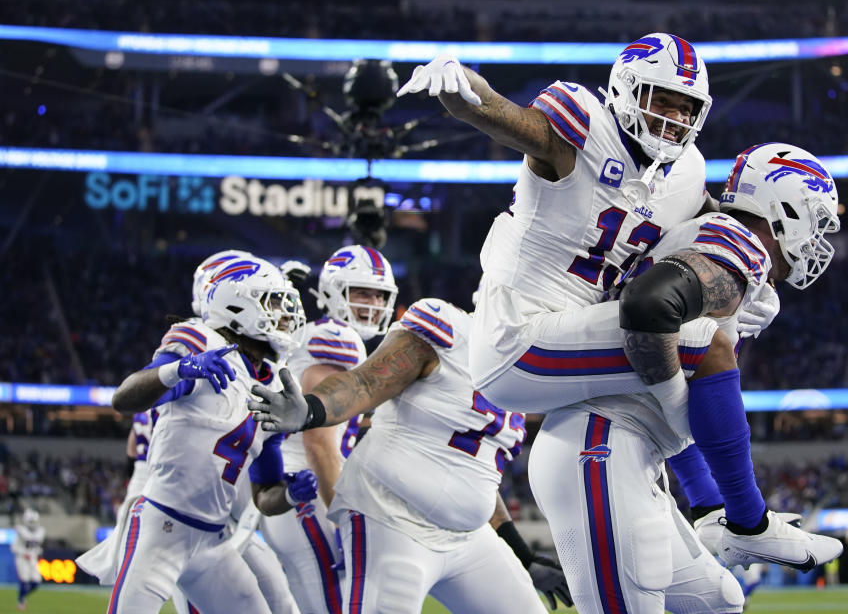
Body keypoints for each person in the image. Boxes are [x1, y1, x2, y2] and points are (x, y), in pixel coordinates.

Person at [396, 34, 797, 565]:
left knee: (698, 310)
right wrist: (461, 86)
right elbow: (503, 115)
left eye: (687, 107)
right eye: (662, 100)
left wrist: (753, 277)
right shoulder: (582, 128)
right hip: (517, 336)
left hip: (580, 328)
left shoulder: (687, 171)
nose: (675, 118)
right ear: (628, 91)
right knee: (699, 347)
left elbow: (710, 232)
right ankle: (746, 519)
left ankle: (705, 509)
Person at [248, 296, 573, 613]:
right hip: (392, 518)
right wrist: (311, 410)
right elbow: (364, 383)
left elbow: (479, 476)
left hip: (470, 539)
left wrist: (522, 554)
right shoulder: (449, 329)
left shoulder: (519, 379)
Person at [616, 142, 844, 570]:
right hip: (611, 427)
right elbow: (656, 321)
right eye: (815, 222)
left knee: (719, 599)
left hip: (635, 425)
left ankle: (712, 508)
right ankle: (748, 522)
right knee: (709, 348)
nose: (816, 239)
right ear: (785, 207)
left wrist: (704, 500)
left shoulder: (719, 237)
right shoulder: (735, 242)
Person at [104, 255, 317, 614]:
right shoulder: (200, 343)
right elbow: (124, 399)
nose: (286, 315)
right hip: (161, 525)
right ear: (239, 304)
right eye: (274, 302)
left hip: (214, 538)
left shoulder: (273, 386)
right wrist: (177, 370)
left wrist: (291, 495)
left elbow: (264, 494)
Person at [260, 245, 397, 614]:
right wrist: (343, 518)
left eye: (379, 294)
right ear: (335, 292)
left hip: (292, 490)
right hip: (305, 489)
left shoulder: (320, 335)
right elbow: (319, 443)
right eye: (361, 292)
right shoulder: (335, 339)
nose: (372, 303)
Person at [12, 508, 44, 611]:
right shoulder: (21, 531)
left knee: (37, 581)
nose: (33, 524)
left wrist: (37, 552)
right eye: (31, 521)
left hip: (32, 558)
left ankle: (22, 596)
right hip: (22, 558)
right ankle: (21, 601)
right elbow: (14, 547)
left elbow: (35, 546)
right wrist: (24, 553)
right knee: (24, 580)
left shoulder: (40, 531)